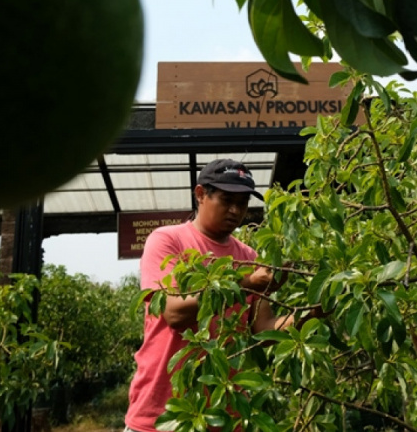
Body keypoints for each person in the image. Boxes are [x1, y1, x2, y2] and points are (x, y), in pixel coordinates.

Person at [124, 158, 292, 432]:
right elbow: (174, 313)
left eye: (243, 203)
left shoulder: (249, 257)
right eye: (227, 200)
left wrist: (313, 315)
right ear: (200, 194)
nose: (236, 210)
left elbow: (263, 330)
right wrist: (247, 283)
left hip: (226, 417)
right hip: (160, 415)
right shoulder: (167, 240)